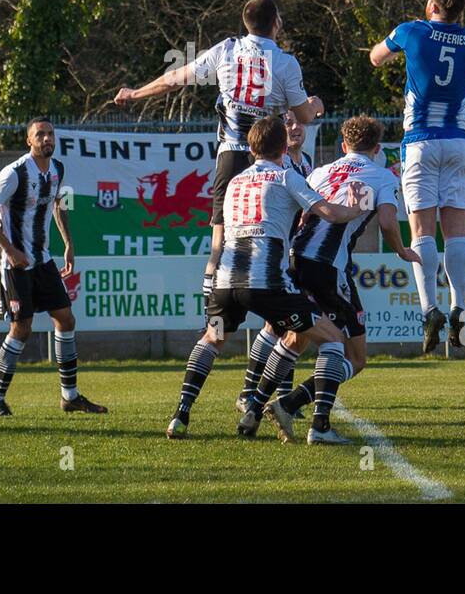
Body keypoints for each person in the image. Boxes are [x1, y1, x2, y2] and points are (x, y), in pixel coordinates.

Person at [114, 0, 324, 316]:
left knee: (220, 241)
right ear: (276, 23)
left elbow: (175, 79)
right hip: (266, 164)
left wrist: (135, 93)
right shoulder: (285, 63)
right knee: (279, 235)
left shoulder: (226, 50)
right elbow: (304, 116)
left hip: (230, 158)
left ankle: (213, 316)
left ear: (245, 22)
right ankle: (284, 306)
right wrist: (316, 103)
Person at [165, 117, 365, 442]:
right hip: (266, 286)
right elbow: (329, 212)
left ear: (251, 148)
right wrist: (354, 207)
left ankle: (181, 415)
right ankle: (286, 417)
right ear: (284, 146)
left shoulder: (235, 182)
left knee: (211, 340)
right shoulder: (287, 176)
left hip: (225, 285)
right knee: (332, 340)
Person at [268, 116, 421, 443]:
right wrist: (401, 252)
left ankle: (256, 404)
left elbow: (301, 214)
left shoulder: (321, 171)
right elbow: (389, 223)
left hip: (295, 259)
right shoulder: (382, 175)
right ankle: (311, 419)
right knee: (354, 355)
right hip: (326, 267)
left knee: (298, 338)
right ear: (378, 148)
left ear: (343, 146)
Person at [369, 0, 465, 351]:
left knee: (422, 232)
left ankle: (429, 309)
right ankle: (459, 307)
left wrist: (399, 49)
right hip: (456, 140)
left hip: (420, 141)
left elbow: (375, 57)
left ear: (433, 4)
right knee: (456, 230)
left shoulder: (411, 31)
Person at [0, 119, 106, 417]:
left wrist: (68, 244)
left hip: (43, 259)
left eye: (50, 134)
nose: (47, 138)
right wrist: (10, 250)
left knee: (66, 319)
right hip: (15, 263)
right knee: (21, 329)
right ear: (29, 141)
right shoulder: (15, 172)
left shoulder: (58, 169)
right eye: (40, 135)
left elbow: (59, 204)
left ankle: (70, 397)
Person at [237, 109, 314, 414]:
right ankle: (248, 392)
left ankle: (280, 397)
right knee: (279, 324)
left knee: (288, 326)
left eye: (298, 121)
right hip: (278, 255)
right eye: (287, 123)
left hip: (299, 252)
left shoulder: (304, 163)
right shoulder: (276, 171)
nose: (294, 127)